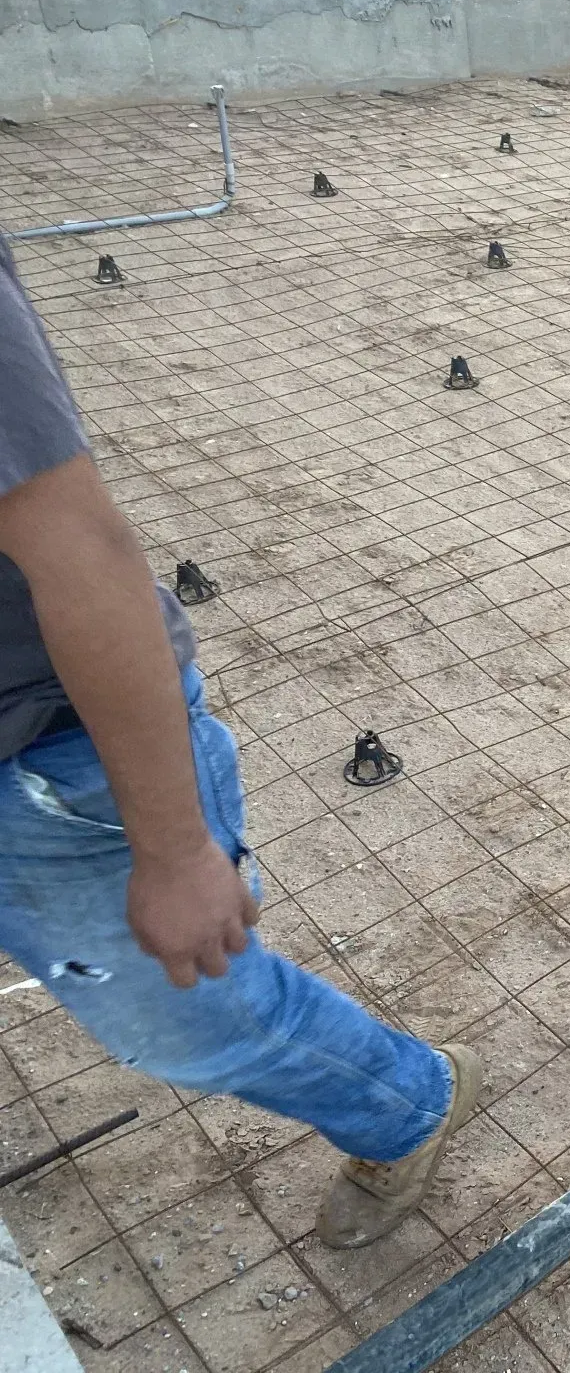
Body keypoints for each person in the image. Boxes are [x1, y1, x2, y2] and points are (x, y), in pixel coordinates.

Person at [0, 232, 478, 1249]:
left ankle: (407, 1104)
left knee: (195, 1021)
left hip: (42, 752)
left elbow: (76, 545)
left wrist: (174, 852)